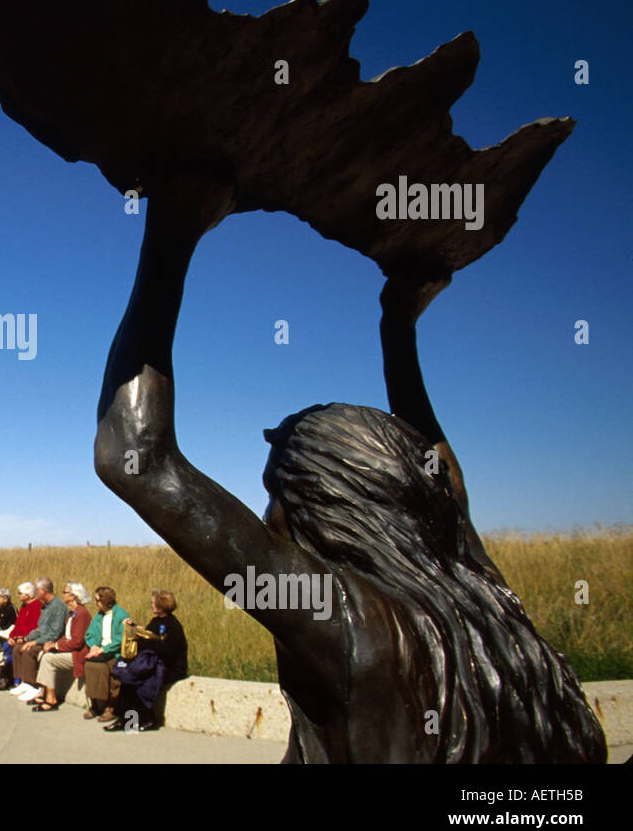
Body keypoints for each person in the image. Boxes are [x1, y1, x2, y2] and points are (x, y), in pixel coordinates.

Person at [92, 179, 605, 760]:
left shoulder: (344, 618)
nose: (267, 514)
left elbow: (135, 462)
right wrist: (397, 327)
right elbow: (443, 486)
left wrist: (175, 223)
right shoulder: (479, 589)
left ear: (322, 505)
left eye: (274, 493)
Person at [105, 589, 187, 732]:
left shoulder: (174, 626)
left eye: (153, 603)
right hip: (154, 662)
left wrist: (149, 641)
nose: (151, 605)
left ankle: (146, 719)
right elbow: (147, 639)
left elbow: (168, 652)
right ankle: (124, 718)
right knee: (128, 679)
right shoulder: (156, 621)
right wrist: (134, 628)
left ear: (161, 606)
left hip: (170, 666)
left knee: (140, 680)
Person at [30, 583, 92, 711]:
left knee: (49, 659)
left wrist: (57, 646)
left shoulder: (81, 614)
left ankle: (51, 699)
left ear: (73, 596)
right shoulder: (72, 613)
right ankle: (43, 692)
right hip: (70, 649)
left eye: (65, 592)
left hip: (78, 654)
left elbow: (77, 642)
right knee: (44, 653)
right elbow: (66, 636)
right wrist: (52, 645)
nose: (62, 594)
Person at [10, 577, 68, 701]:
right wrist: (26, 638)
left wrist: (35, 642)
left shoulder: (57, 606)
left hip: (52, 641)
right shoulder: (45, 606)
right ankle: (23, 681)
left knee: (29, 650)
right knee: (17, 648)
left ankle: (31, 684)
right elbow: (41, 628)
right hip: (43, 637)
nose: (35, 593)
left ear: (44, 590)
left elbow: (55, 632)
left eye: (37, 590)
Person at [81, 586, 130, 721]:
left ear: (105, 601)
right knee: (89, 665)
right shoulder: (99, 615)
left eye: (97, 600)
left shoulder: (121, 615)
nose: (95, 603)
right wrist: (94, 647)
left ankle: (110, 707)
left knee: (105, 667)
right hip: (100, 650)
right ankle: (94, 704)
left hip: (114, 651)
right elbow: (90, 634)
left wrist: (104, 649)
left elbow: (121, 639)